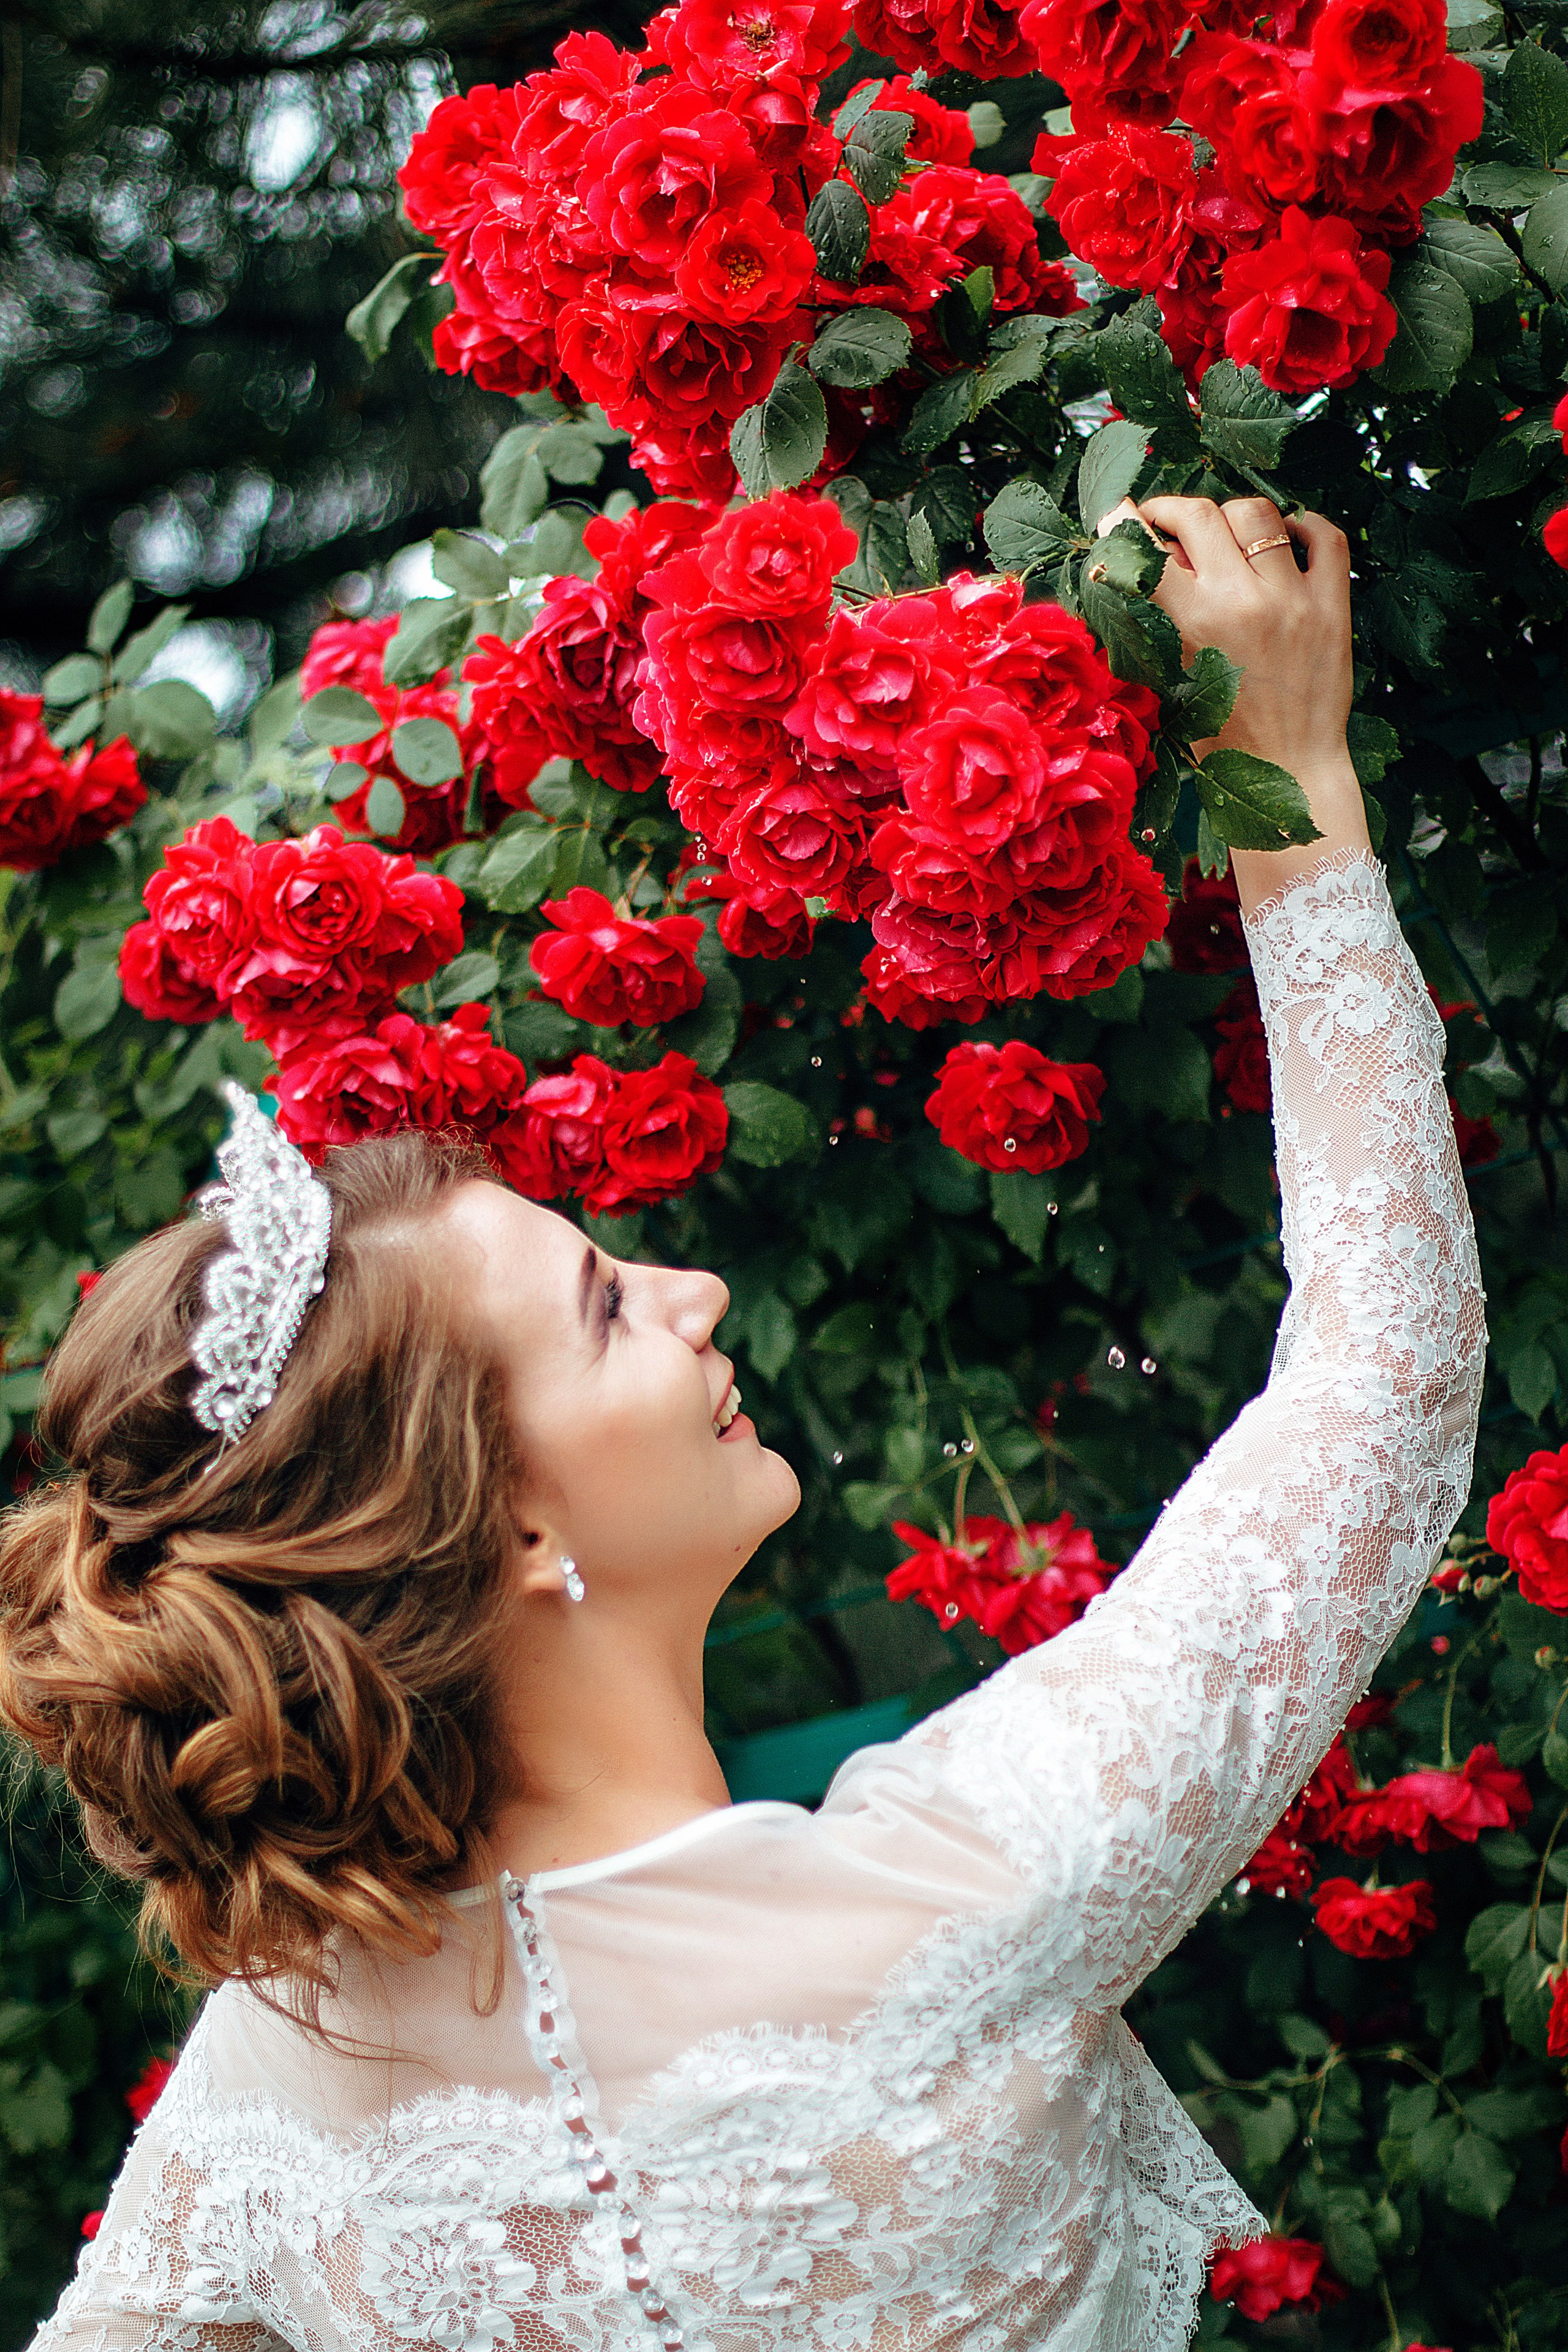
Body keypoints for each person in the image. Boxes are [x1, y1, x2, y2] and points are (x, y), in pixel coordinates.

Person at [2, 495, 1484, 2352]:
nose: (693, 1290)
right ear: (512, 1529)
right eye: (607, 1307)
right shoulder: (957, 1898)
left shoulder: (279, 2087)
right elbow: (1382, 1384)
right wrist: (1296, 791)